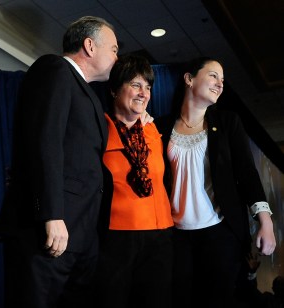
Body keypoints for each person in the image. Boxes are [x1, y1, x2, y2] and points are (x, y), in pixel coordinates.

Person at [0, 16, 119, 308]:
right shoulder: (55, 69)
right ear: (89, 46)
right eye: (113, 48)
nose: (116, 56)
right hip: (49, 233)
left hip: (81, 234)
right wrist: (51, 214)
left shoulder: (87, 93)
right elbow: (45, 141)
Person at [154, 56, 276, 308]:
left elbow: (247, 173)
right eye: (213, 75)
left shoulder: (228, 122)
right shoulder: (162, 127)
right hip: (176, 237)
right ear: (189, 79)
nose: (220, 84)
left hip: (220, 234)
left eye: (222, 79)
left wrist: (265, 221)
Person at [94, 54, 174, 308]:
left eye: (148, 87)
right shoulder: (99, 129)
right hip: (117, 237)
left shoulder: (153, 129)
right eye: (136, 85)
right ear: (115, 90)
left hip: (160, 234)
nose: (144, 93)